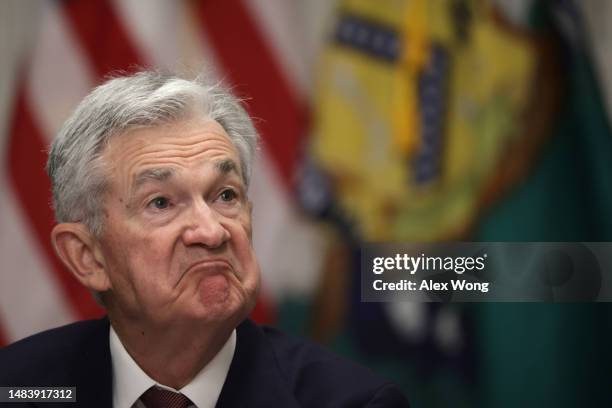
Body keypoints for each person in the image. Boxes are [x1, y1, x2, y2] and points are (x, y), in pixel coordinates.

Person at [0, 71, 409, 407]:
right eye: (160, 203)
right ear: (88, 256)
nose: (212, 231)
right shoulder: (16, 386)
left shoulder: (354, 403)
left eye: (225, 195)